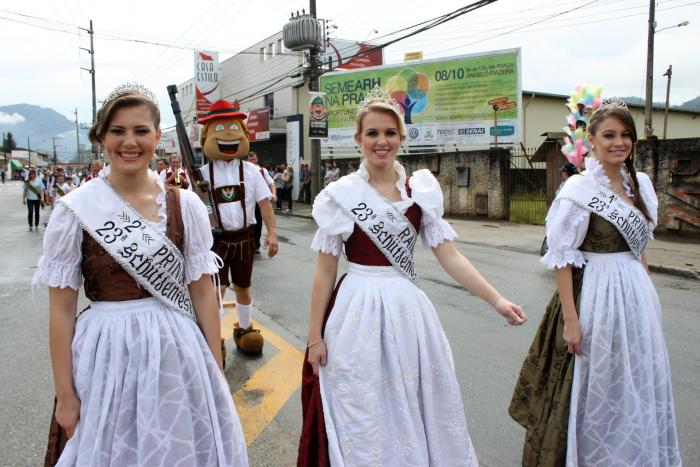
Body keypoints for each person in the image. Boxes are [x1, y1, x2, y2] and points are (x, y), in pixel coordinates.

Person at [297, 86, 527, 466]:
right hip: (356, 312)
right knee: (366, 406)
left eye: (389, 133)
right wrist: (314, 338)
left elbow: (450, 257)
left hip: (408, 313)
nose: (381, 141)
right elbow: (324, 275)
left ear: (402, 138)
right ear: (358, 140)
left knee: (416, 401)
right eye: (372, 133)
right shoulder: (341, 196)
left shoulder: (419, 191)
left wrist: (497, 300)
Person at [34, 84, 248, 466]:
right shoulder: (76, 211)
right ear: (101, 138)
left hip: (176, 355)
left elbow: (202, 293)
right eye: (117, 131)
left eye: (140, 131)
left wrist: (214, 371)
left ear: (156, 136)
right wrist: (65, 395)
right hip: (105, 354)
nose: (129, 142)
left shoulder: (185, 205)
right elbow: (62, 311)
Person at [509, 100, 681, 466]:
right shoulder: (579, 190)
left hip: (634, 295)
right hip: (596, 294)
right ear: (592, 140)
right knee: (598, 382)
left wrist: (647, 294)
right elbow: (563, 258)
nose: (619, 142)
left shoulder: (641, 185)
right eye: (609, 135)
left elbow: (639, 248)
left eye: (626, 135)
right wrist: (571, 320)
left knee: (634, 382)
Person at [197, 99, 279, 357]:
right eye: (219, 130)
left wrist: (272, 234)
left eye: (233, 128)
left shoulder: (252, 171)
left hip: (244, 237)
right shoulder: (200, 174)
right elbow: (192, 212)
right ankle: (214, 337)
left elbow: (265, 204)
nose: (229, 135)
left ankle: (244, 329)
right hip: (215, 242)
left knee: (243, 287)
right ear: (207, 137)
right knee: (217, 291)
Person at [247, 151, 276, 254]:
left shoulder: (262, 171)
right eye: (250, 160)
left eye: (254, 159)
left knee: (258, 223)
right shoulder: (243, 170)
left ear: (257, 159)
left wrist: (274, 194)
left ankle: (256, 245)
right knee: (248, 223)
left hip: (260, 201)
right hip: (248, 201)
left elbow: (271, 183)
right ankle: (248, 243)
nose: (252, 161)